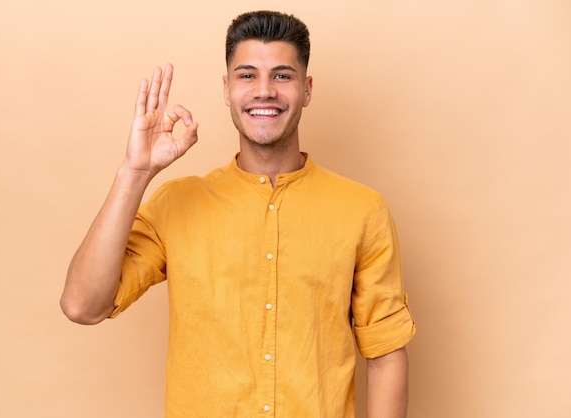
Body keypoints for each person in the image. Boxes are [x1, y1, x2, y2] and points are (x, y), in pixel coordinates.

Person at [61, 10, 416, 418]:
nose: (264, 91)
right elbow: (82, 305)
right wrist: (135, 172)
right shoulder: (176, 203)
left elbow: (386, 353)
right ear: (227, 89)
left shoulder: (362, 209)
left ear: (307, 88)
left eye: (282, 75)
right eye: (247, 75)